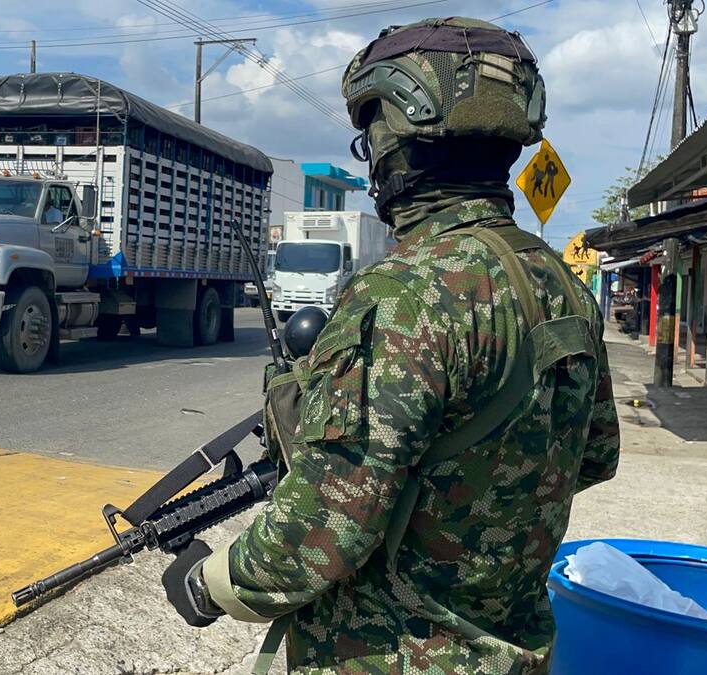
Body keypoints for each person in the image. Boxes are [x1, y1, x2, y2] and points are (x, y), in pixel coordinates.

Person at [161, 17, 620, 674]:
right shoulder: (565, 285)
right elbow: (593, 455)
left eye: (372, 134)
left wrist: (212, 583)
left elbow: (324, 528)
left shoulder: (405, 294)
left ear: (398, 141)